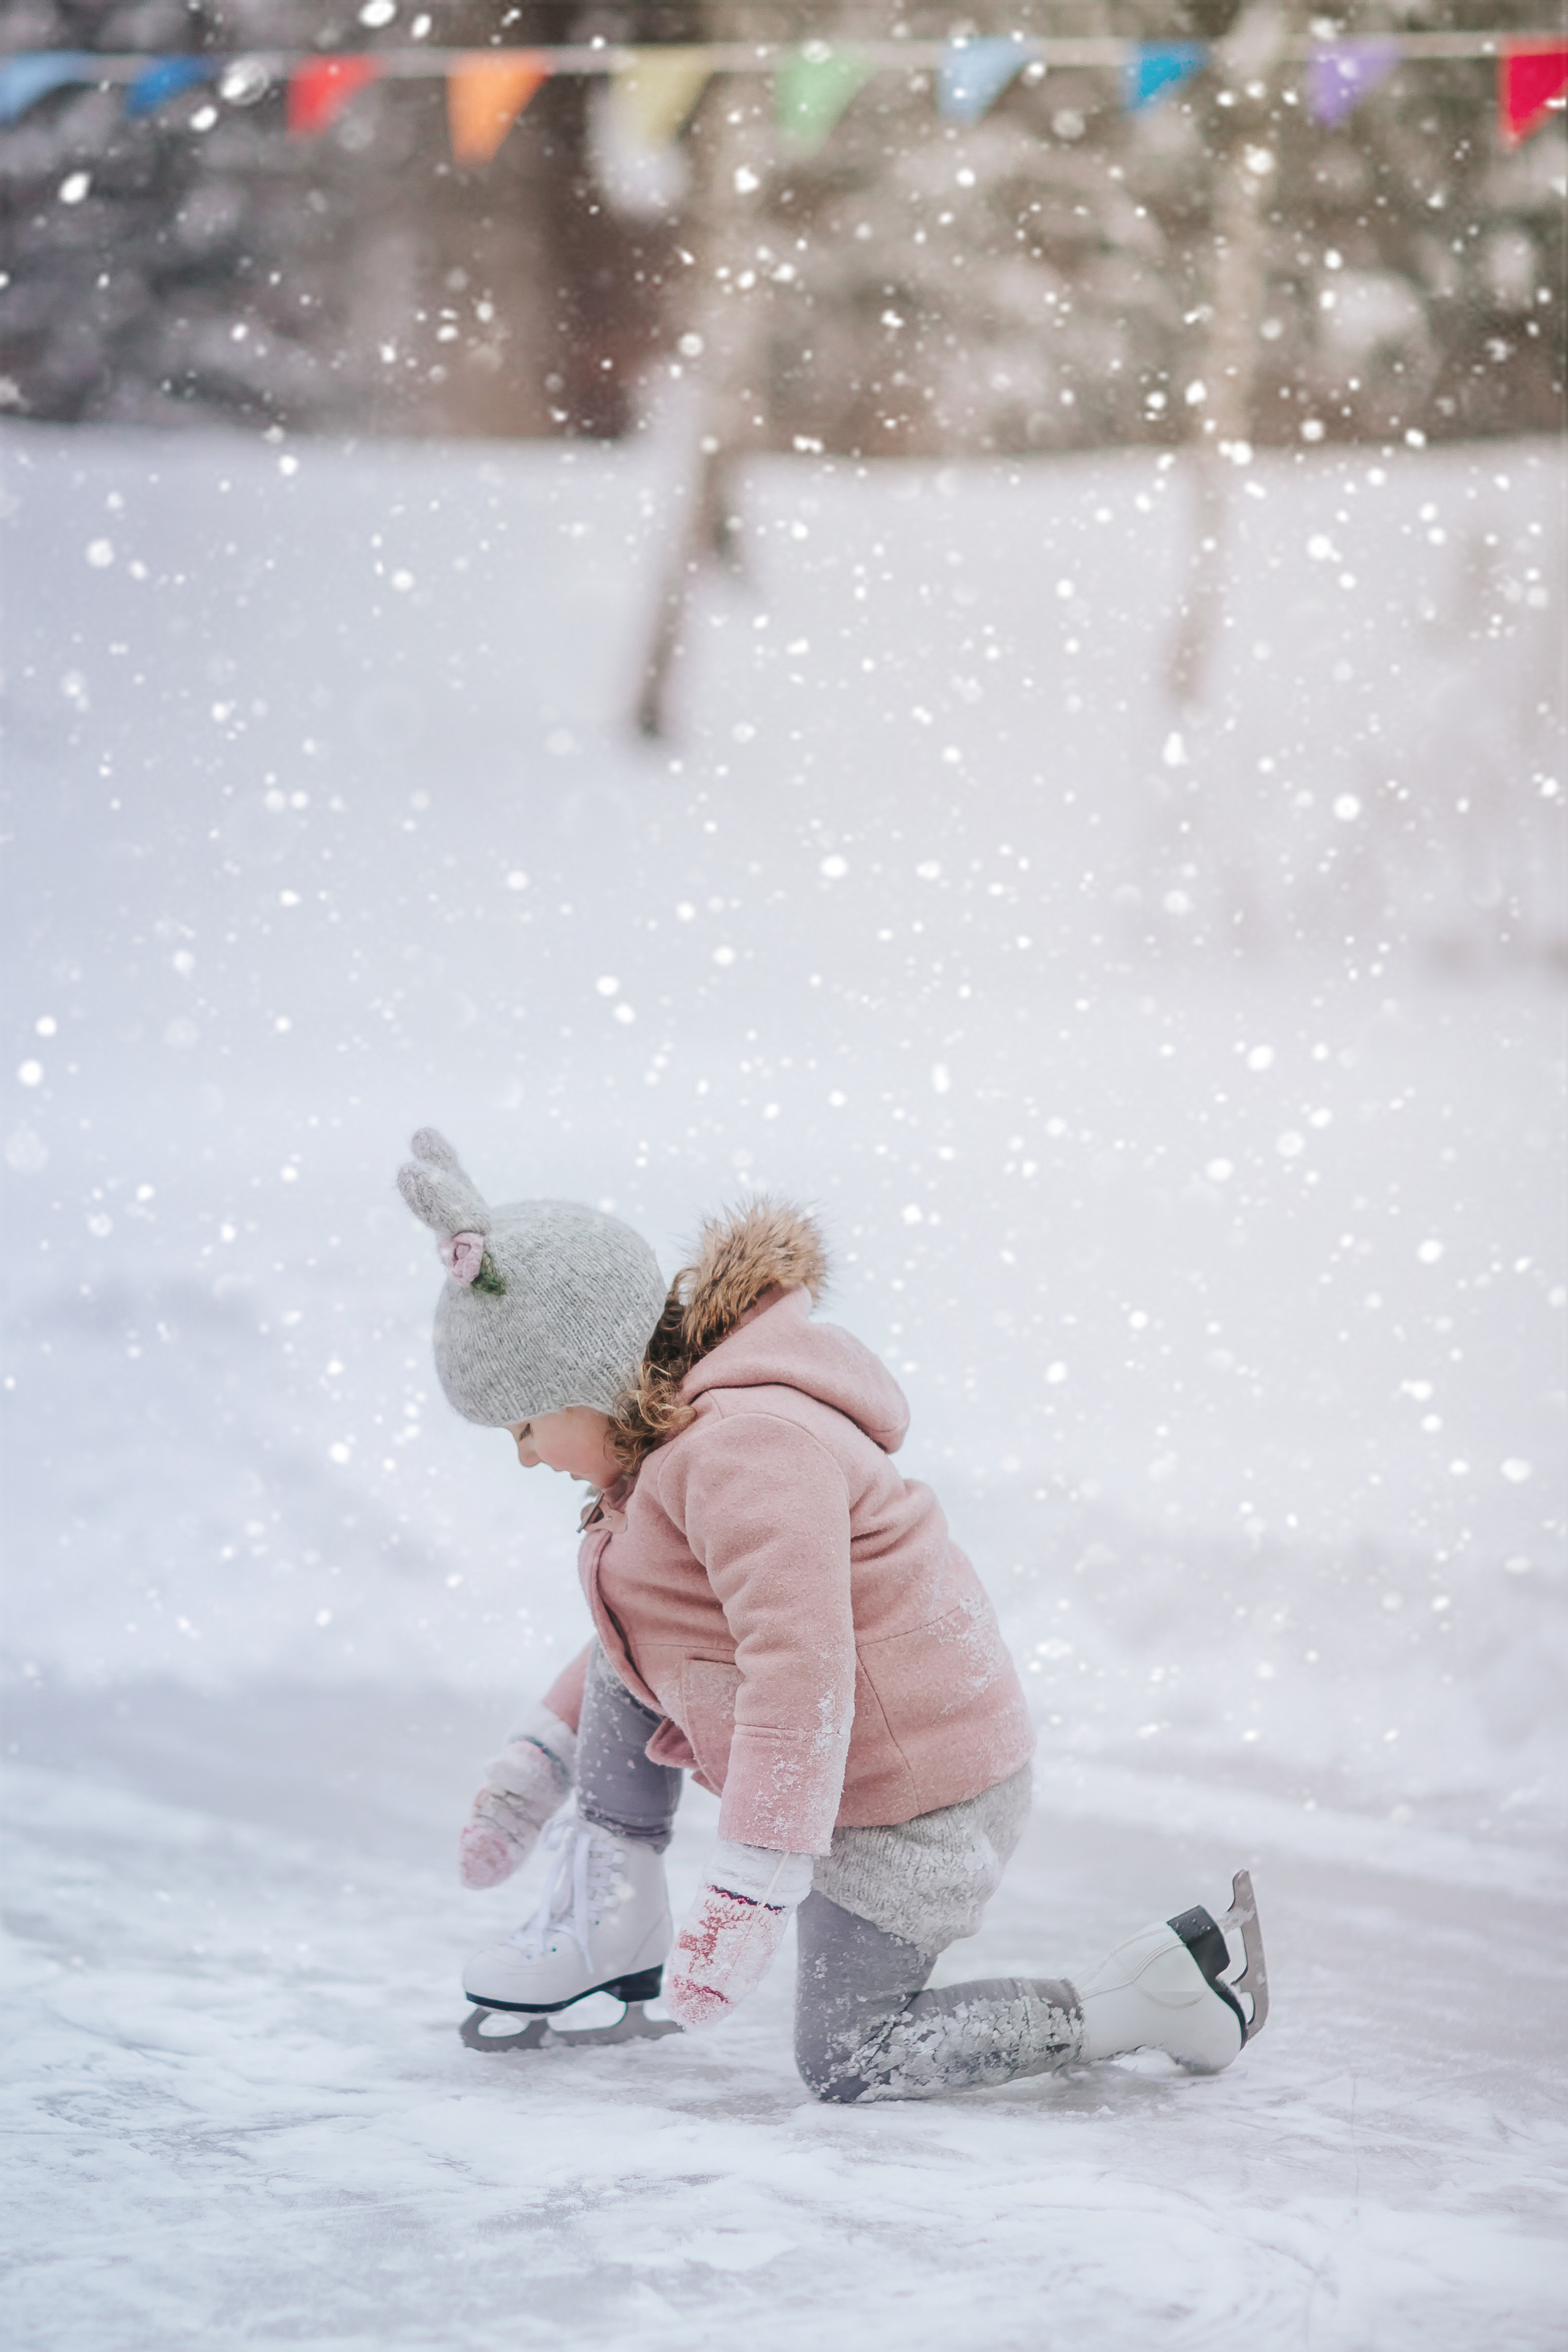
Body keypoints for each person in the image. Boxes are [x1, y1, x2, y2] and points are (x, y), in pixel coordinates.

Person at [398, 1127, 1268, 2101]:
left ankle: (1132, 2004)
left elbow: (800, 1672)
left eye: (525, 1424)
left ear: (592, 1380)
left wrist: (748, 1888)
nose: (523, 1456)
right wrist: (537, 1763)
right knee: (626, 1620)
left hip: (917, 1797)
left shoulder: (744, 1451)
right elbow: (641, 1632)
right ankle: (612, 1904)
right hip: (836, 1760)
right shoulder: (664, 1458)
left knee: (851, 2054)